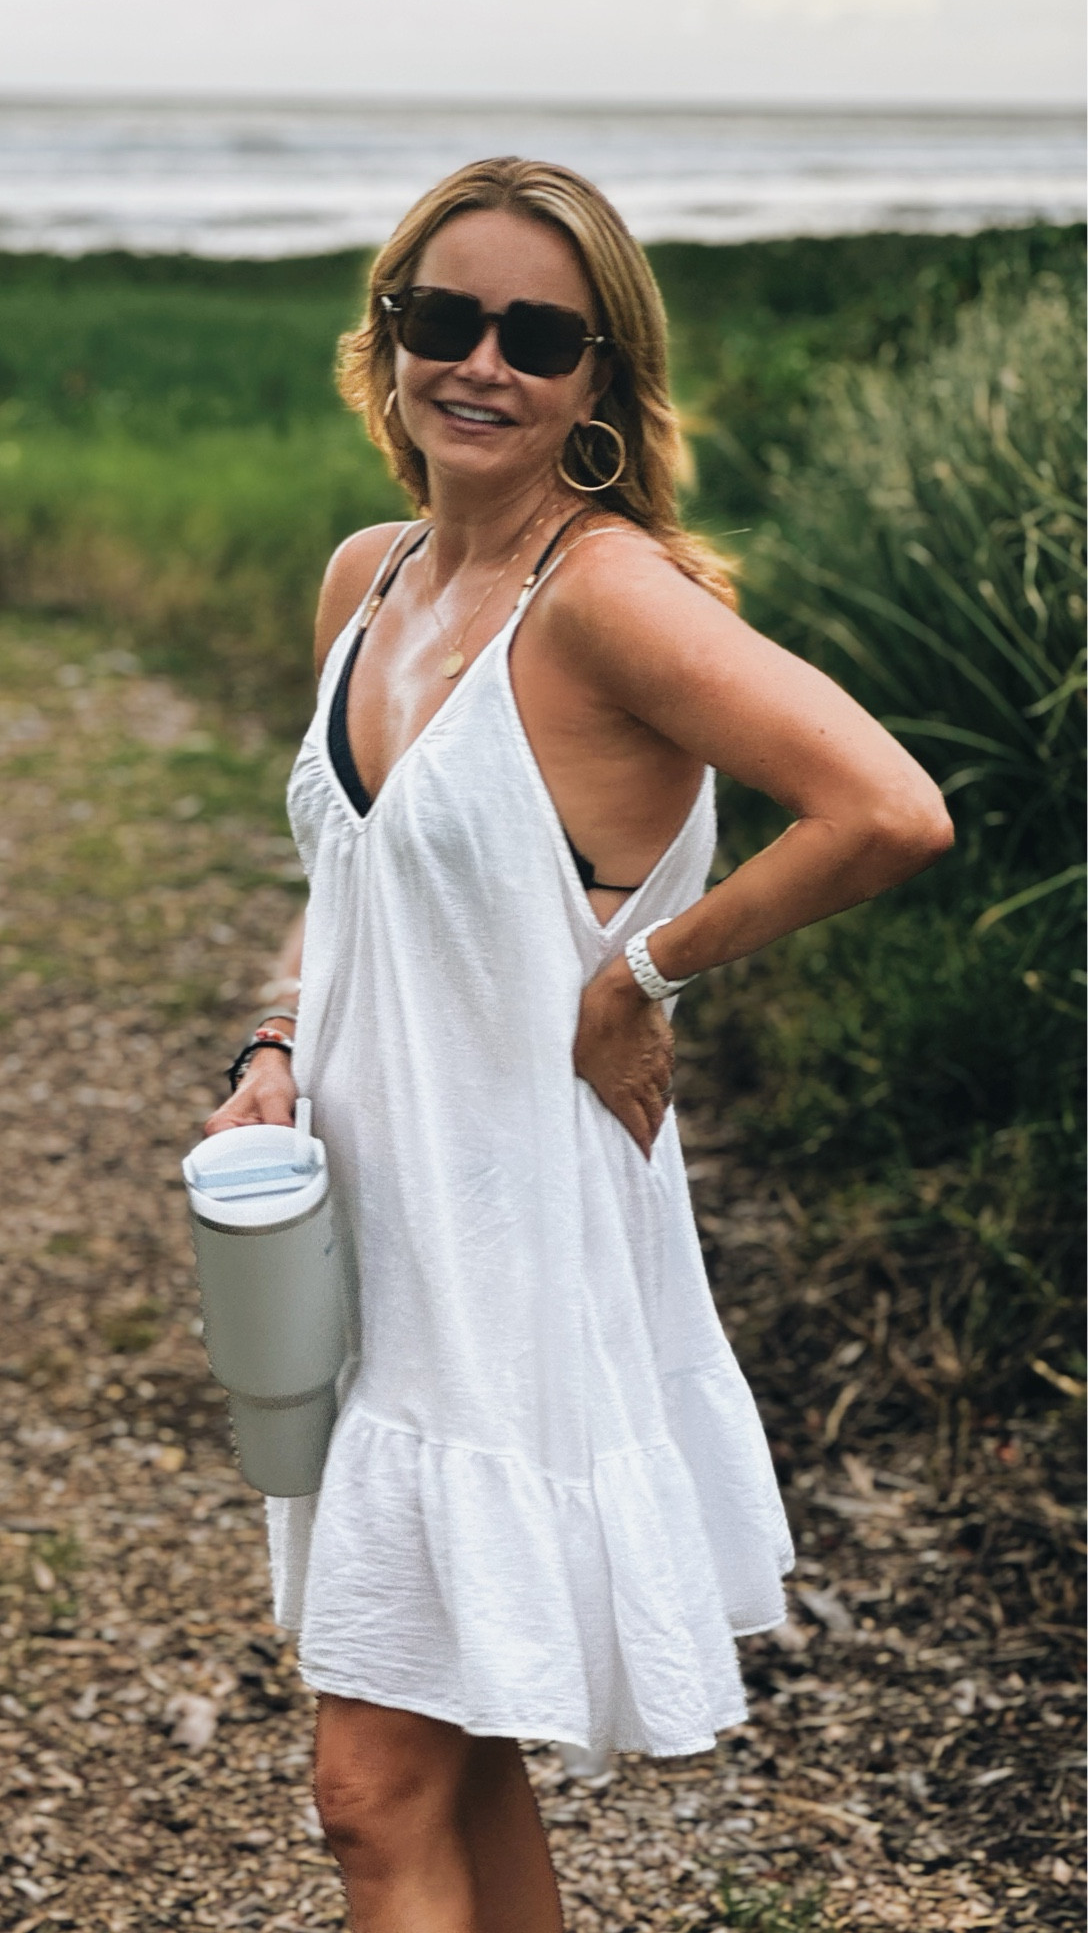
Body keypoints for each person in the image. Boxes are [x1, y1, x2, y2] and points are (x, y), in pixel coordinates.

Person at [204, 156, 952, 1933]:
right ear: (383, 334)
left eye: (537, 334)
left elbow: (891, 809)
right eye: (438, 316)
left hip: (518, 1259)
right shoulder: (365, 582)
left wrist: (652, 970)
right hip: (369, 1226)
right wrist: (275, 1036)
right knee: (454, 1760)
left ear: (601, 383)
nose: (481, 361)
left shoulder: (609, 600)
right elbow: (350, 880)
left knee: (366, 1789)